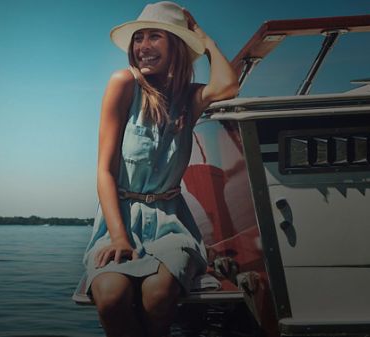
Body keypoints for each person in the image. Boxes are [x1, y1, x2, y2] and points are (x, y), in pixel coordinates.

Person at [82, 2, 238, 336]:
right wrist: (120, 236)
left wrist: (204, 38)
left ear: (176, 47)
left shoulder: (189, 97)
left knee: (157, 296)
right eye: (139, 38)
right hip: (118, 219)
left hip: (171, 223)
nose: (143, 47)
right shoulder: (123, 84)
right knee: (110, 298)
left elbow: (228, 85)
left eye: (155, 37)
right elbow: (104, 171)